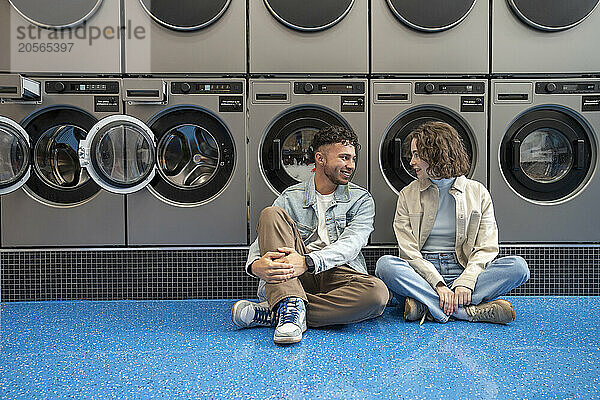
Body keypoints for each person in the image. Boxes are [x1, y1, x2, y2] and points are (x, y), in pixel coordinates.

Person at [231, 126, 389, 344]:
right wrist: (254, 265)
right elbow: (266, 237)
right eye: (343, 158)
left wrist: (308, 261)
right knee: (270, 213)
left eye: (352, 158)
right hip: (293, 274)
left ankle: (283, 310)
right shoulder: (291, 196)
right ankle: (289, 304)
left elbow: (352, 245)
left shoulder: (361, 199)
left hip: (336, 272)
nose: (350, 165)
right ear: (320, 158)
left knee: (377, 295)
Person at [375, 121, 530, 325]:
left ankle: (427, 306)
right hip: (422, 273)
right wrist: (438, 284)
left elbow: (486, 248)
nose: (411, 162)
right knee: (385, 265)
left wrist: (466, 282)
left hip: (463, 267)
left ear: (436, 154)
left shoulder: (477, 192)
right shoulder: (408, 194)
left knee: (519, 267)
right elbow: (408, 252)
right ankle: (464, 311)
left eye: (417, 155)